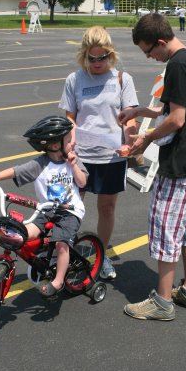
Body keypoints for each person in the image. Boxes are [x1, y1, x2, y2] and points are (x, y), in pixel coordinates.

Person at [119, 13, 186, 320]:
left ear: (160, 42)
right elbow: (170, 107)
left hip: (180, 162)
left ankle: (162, 302)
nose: (150, 58)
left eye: (149, 51)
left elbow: (176, 119)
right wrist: (143, 110)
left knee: (165, 228)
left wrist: (144, 139)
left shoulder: (178, 65)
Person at [59, 26, 139, 280]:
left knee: (106, 208)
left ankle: (101, 255)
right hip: (81, 156)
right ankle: (66, 252)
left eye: (102, 57)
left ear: (110, 54)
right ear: (84, 55)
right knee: (72, 207)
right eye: (92, 58)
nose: (97, 63)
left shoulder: (122, 79)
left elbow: (130, 118)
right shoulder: (75, 79)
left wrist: (131, 137)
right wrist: (70, 141)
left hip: (111, 157)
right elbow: (70, 116)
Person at [0, 116, 88, 297]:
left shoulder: (74, 161)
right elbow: (16, 171)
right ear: (55, 145)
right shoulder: (40, 164)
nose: (73, 143)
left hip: (69, 212)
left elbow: (82, 182)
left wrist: (74, 165)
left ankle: (58, 280)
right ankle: (42, 258)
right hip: (46, 210)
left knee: (62, 244)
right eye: (69, 140)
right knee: (23, 234)